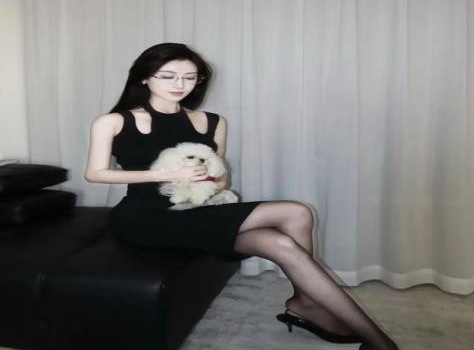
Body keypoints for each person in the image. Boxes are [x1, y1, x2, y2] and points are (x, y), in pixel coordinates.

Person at [84, 42, 399, 350]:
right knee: (295, 213)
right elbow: (95, 173)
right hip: (145, 217)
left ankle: (308, 304)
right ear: (144, 77)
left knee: (286, 234)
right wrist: (166, 174)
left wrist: (211, 180)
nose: (179, 85)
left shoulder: (211, 121)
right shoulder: (113, 121)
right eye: (168, 76)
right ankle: (371, 338)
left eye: (190, 77)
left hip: (197, 207)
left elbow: (221, 176)